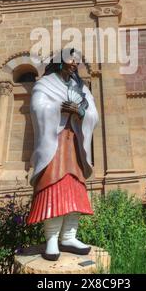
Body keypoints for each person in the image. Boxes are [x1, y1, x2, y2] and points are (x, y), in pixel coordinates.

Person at [27, 48, 99, 261]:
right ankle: (51, 241)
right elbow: (37, 107)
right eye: (70, 59)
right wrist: (59, 107)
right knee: (53, 187)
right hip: (55, 147)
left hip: (74, 144)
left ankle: (69, 237)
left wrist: (81, 112)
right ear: (59, 62)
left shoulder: (81, 88)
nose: (74, 63)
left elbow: (93, 113)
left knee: (76, 189)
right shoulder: (45, 84)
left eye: (76, 61)